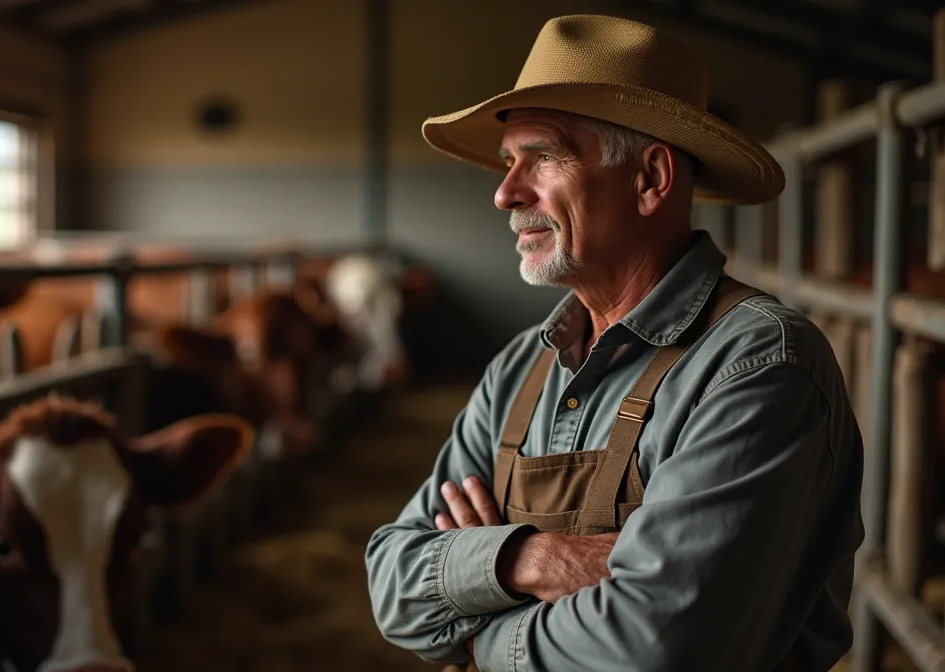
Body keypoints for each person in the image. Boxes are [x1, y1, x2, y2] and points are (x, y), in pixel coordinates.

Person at [364, 14, 864, 672]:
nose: (505, 192)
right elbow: (391, 586)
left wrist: (480, 632)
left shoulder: (758, 365)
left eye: (541, 156)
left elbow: (656, 648)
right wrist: (533, 559)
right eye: (510, 161)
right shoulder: (521, 367)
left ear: (651, 179)